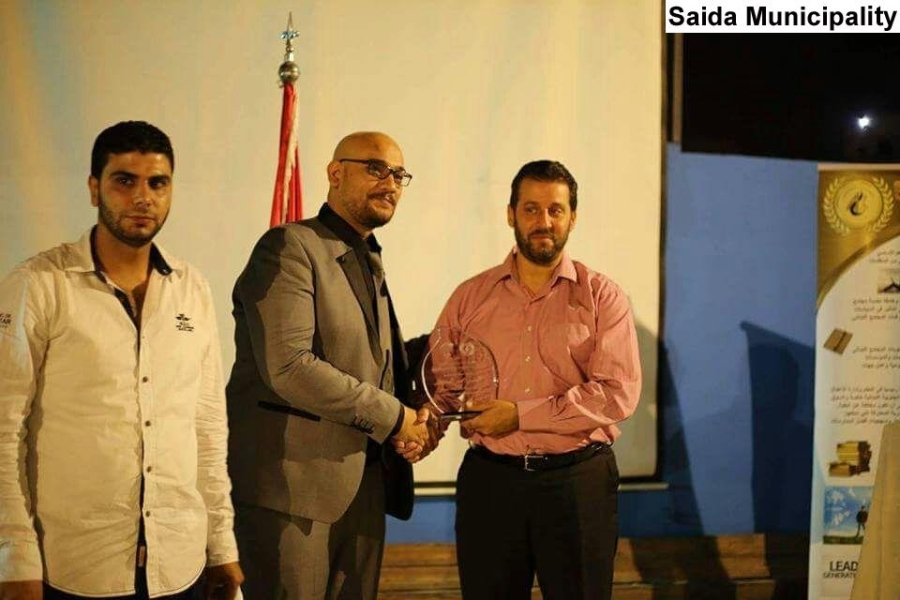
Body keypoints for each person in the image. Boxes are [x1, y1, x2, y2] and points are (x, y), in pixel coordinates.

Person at [0, 121, 243, 599]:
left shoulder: (191, 288)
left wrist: (221, 544)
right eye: (124, 181)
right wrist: (14, 557)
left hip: (181, 565)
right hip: (75, 568)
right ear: (95, 188)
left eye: (158, 183)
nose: (143, 197)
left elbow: (207, 429)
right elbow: (5, 429)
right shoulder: (40, 283)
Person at [226, 131, 432, 599]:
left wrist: (437, 372)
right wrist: (396, 417)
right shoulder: (288, 247)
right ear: (335, 173)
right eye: (375, 168)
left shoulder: (367, 258)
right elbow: (290, 366)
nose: (390, 183)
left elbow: (373, 364)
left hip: (366, 488)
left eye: (399, 174)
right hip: (292, 494)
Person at [432, 160, 642, 600]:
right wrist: (423, 427)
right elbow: (442, 386)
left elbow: (616, 393)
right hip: (491, 485)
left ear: (572, 218)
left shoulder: (602, 297)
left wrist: (519, 416)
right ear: (511, 214)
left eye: (555, 210)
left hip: (577, 484)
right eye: (530, 209)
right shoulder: (470, 297)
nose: (543, 221)